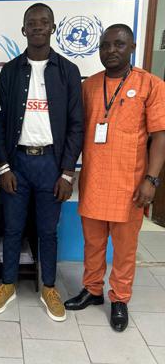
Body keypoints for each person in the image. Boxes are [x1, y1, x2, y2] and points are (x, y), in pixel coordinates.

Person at [64, 24, 165, 332]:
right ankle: (92, 289)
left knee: (124, 248)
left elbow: (160, 137)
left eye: (119, 44)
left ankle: (119, 298)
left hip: (130, 184)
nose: (111, 50)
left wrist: (151, 179)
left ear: (132, 47)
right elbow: (77, 130)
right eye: (105, 45)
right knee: (93, 243)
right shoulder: (90, 86)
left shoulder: (151, 84)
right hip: (94, 180)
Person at [0, 3, 84, 322]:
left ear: (53, 27)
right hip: (17, 163)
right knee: (12, 228)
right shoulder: (10, 72)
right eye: (32, 22)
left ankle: (49, 288)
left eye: (44, 22)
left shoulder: (68, 71)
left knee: (47, 231)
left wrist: (67, 172)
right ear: (24, 29)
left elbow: (76, 124)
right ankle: (8, 284)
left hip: (52, 165)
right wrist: (3, 166)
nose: (38, 26)